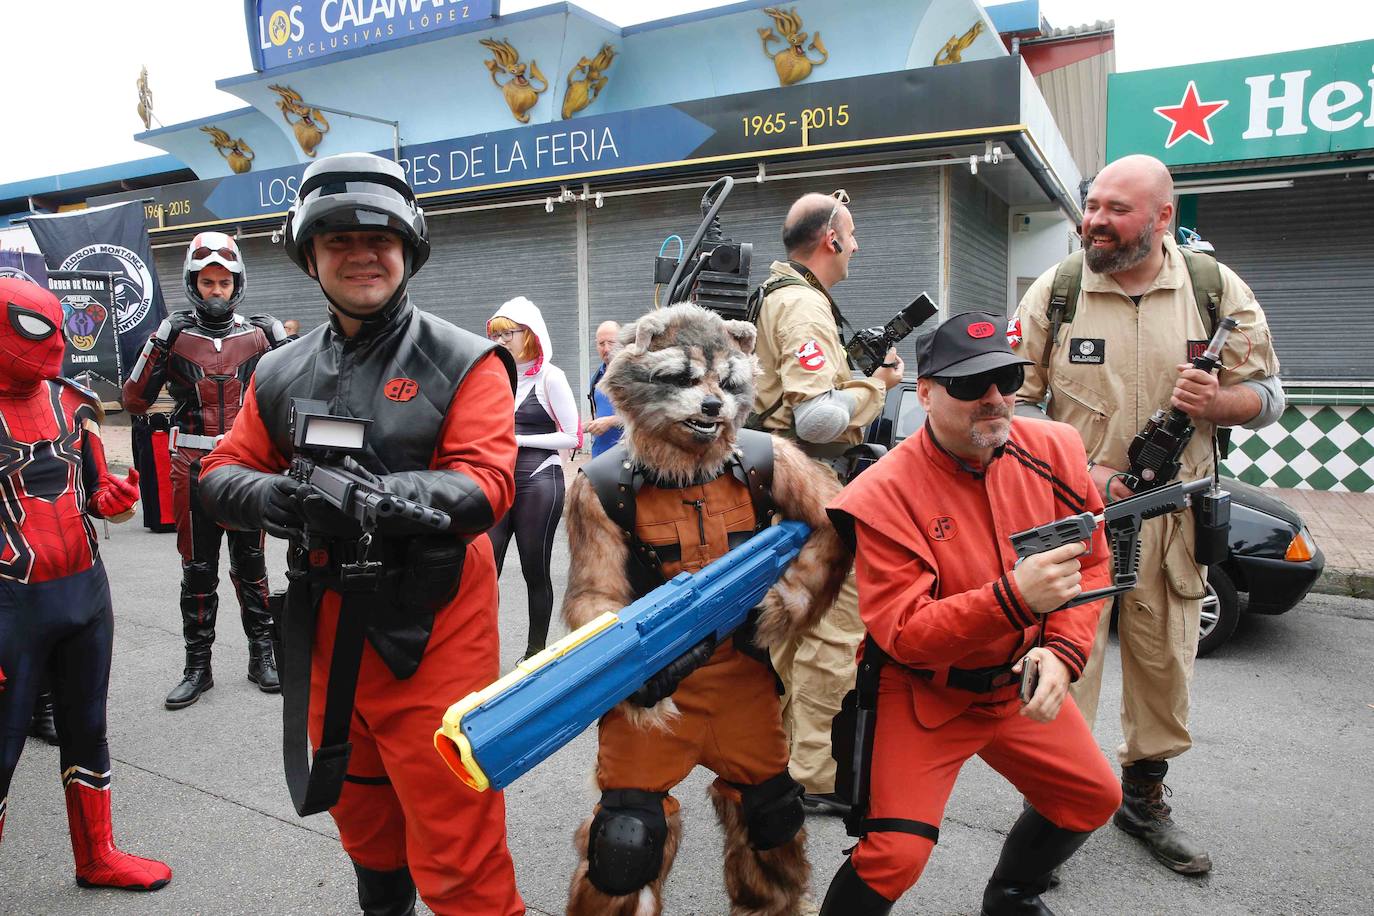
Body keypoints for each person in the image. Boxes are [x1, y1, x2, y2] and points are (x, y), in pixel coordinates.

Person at [198, 152, 523, 915]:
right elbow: (218, 472)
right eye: (337, 239)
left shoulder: (466, 361)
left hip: (433, 638)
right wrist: (276, 497)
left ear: (409, 248)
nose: (360, 253)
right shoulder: (276, 372)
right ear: (309, 255)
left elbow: (486, 482)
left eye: (378, 239)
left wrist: (380, 498)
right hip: (323, 633)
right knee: (361, 816)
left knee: (459, 850)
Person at [1013, 153, 1283, 875]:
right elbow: (1010, 403)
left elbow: (1268, 395)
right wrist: (1084, 471)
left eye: (1115, 210)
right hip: (1076, 522)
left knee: (1165, 670)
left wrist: (1221, 404)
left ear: (1162, 218)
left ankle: (1142, 799)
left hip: (1174, 522)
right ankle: (1051, 814)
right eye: (1092, 205)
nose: (1094, 221)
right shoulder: (1059, 289)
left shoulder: (1212, 288)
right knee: (1062, 670)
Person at [818, 311, 1121, 915]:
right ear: (924, 393)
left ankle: (1012, 897)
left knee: (1093, 797)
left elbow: (1090, 564)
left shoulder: (1055, 448)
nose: (993, 399)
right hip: (924, 692)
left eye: (1005, 379)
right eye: (968, 385)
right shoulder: (882, 494)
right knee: (894, 855)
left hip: (1015, 683)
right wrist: (1014, 598)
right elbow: (903, 633)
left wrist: (1062, 653)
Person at [560, 303, 850, 915]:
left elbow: (839, 523)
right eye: (688, 382)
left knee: (772, 823)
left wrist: (792, 597)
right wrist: (629, 667)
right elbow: (592, 596)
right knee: (624, 845)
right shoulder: (603, 483)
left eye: (724, 384)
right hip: (654, 696)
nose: (711, 402)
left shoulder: (766, 460)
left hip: (742, 680)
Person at [0, 277, 171, 892]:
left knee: (87, 727)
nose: (53, 346)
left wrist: (116, 496)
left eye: (56, 329)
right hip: (9, 603)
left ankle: (96, 855)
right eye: (33, 330)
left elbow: (100, 495)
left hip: (83, 592)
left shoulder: (75, 403)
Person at [751, 190, 904, 812]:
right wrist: (879, 383)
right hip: (813, 491)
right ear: (830, 240)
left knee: (794, 626)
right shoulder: (805, 308)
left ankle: (784, 756)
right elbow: (815, 420)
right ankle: (813, 775)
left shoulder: (781, 298)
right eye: (853, 233)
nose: (858, 245)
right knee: (837, 630)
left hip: (787, 490)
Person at [122, 231, 288, 710]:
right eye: (207, 281)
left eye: (223, 281)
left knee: (252, 565)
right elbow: (134, 400)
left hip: (243, 465)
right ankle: (198, 666)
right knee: (197, 568)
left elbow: (295, 396)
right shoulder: (174, 334)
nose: (216, 290)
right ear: (193, 282)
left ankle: (263, 656)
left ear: (237, 283)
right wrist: (158, 341)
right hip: (191, 465)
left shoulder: (260, 334)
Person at [485, 295, 580, 659]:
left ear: (530, 334)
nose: (500, 341)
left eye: (507, 333)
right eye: (495, 334)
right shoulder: (496, 376)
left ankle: (535, 651)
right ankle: (481, 649)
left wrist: (518, 438)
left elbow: (572, 436)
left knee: (534, 570)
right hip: (499, 481)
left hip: (539, 479)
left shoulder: (551, 377)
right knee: (485, 568)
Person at [586, 319, 623, 456]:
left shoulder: (635, 376)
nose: (606, 349)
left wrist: (610, 421)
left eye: (611, 343)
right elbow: (600, 414)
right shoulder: (595, 378)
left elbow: (645, 417)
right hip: (599, 457)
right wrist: (583, 427)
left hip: (626, 460)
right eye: (601, 344)